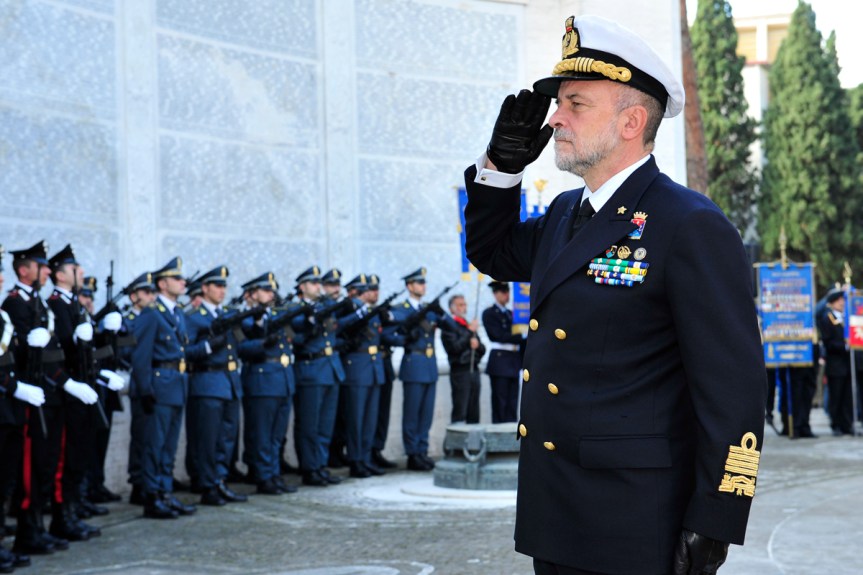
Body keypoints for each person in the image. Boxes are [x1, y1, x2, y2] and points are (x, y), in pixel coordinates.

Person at [463, 15, 766, 574]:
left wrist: (716, 519)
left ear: (631, 121)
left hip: (635, 523)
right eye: (561, 104)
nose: (555, 119)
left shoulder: (688, 224)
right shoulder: (563, 214)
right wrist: (502, 165)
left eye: (576, 104)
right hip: (556, 514)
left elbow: (734, 390)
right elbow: (492, 252)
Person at [129, 257, 196, 519]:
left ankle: (165, 492)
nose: (183, 282)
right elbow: (141, 355)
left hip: (177, 385)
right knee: (154, 445)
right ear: (162, 283)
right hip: (159, 385)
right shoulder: (151, 314)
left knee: (168, 446)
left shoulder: (176, 313)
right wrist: (144, 390)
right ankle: (152, 496)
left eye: (182, 278)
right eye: (177, 278)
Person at [184, 266, 248, 505]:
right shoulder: (194, 317)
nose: (222, 290)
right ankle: (207, 484)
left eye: (223, 286)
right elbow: (186, 352)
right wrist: (209, 347)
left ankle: (220, 481)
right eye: (217, 286)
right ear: (205, 288)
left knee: (226, 438)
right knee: (207, 440)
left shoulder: (227, 315)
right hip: (208, 383)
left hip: (229, 383)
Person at [389, 268, 457, 471]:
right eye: (419, 283)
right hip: (414, 363)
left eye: (424, 283)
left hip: (429, 366)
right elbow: (388, 335)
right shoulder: (401, 310)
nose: (423, 286)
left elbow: (452, 327)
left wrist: (441, 312)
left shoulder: (428, 309)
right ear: (409, 286)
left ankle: (422, 450)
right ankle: (412, 453)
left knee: (426, 414)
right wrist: (404, 340)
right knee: (412, 413)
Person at [481, 281, 523, 422]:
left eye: (508, 292)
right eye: (503, 292)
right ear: (495, 293)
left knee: (512, 402)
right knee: (500, 401)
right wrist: (521, 335)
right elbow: (498, 335)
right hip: (500, 360)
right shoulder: (490, 313)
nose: (507, 295)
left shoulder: (512, 314)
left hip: (513, 360)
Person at [440, 294, 485, 423]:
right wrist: (469, 333)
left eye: (464, 304)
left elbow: (482, 349)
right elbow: (454, 348)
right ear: (452, 309)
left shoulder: (468, 325)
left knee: (474, 409)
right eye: (460, 305)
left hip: (474, 370)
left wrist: (477, 345)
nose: (463, 307)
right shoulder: (448, 326)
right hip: (460, 371)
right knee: (461, 409)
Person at [818, 290, 854, 436]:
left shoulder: (847, 319)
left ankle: (847, 424)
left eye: (843, 300)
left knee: (847, 397)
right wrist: (845, 346)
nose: (842, 303)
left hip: (847, 364)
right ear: (832, 303)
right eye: (839, 300)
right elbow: (828, 343)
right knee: (836, 396)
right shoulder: (828, 319)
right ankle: (836, 424)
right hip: (835, 364)